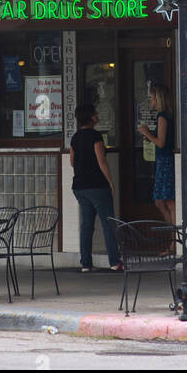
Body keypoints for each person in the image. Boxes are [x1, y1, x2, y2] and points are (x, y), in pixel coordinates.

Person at [69, 102, 122, 272]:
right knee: (108, 223)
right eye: (95, 113)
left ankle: (85, 262)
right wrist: (111, 182)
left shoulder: (75, 138)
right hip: (97, 185)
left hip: (79, 186)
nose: (97, 115)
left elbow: (72, 161)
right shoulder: (96, 136)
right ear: (91, 117)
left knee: (86, 224)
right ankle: (114, 261)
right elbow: (102, 161)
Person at [138, 82, 176, 225]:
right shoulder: (166, 116)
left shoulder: (162, 116)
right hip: (163, 160)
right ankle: (172, 234)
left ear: (159, 99)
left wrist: (146, 132)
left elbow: (160, 142)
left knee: (168, 202)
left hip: (165, 160)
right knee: (160, 201)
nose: (151, 101)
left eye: (153, 98)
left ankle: (174, 239)